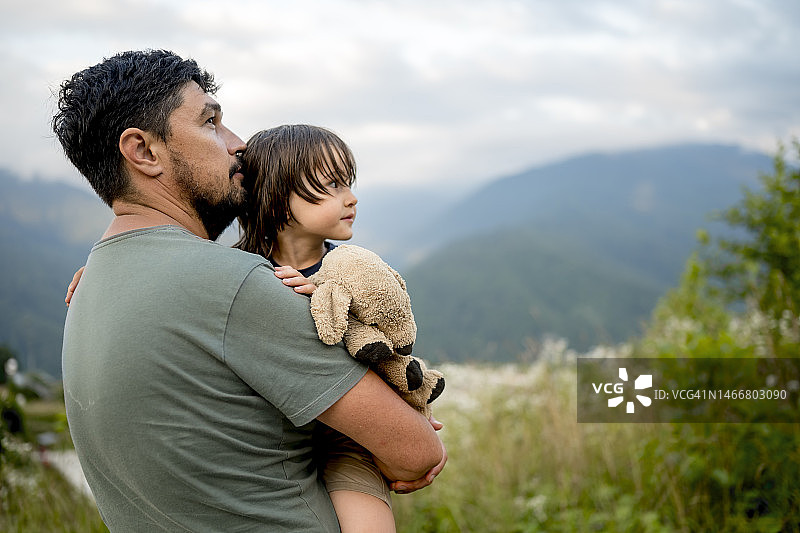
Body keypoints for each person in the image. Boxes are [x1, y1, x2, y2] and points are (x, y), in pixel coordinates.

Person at [54, 49, 445, 532]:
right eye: (211, 122)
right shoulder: (234, 283)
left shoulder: (88, 290)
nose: (237, 143)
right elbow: (417, 454)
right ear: (144, 151)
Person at [235, 124, 441, 533]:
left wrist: (410, 418)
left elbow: (392, 340)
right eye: (332, 185)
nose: (351, 197)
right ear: (278, 197)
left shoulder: (353, 270)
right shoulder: (234, 271)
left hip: (350, 441)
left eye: (347, 182)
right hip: (270, 441)